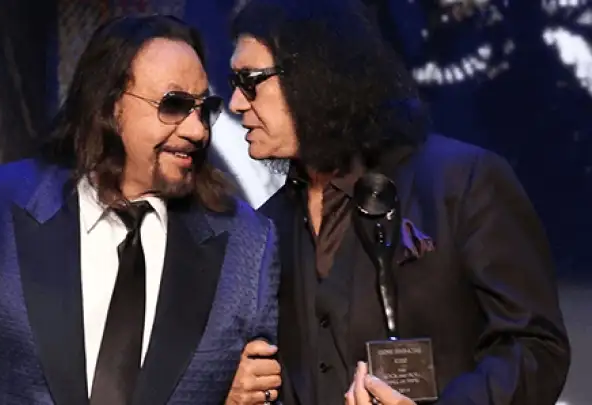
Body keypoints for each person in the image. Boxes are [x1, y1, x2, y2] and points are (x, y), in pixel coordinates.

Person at [0, 15, 281, 405]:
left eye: (203, 109)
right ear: (108, 104)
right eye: (174, 105)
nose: (198, 131)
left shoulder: (247, 243)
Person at [228, 1, 571, 404]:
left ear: (315, 75)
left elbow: (535, 347)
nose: (235, 103)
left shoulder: (461, 182)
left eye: (249, 81)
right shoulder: (265, 226)